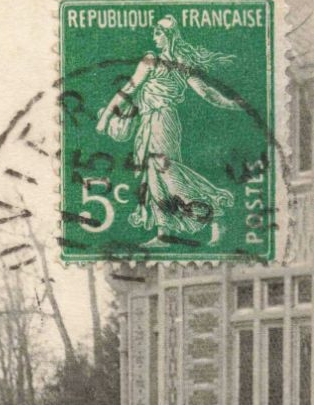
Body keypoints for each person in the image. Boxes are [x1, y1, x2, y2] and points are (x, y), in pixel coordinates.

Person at [95, 16, 244, 248]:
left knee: (165, 171)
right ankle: (164, 232)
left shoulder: (161, 62)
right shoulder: (165, 62)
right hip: (149, 121)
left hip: (162, 120)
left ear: (169, 35)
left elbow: (203, 91)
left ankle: (214, 213)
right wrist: (106, 117)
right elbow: (130, 91)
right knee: (153, 175)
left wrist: (231, 103)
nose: (154, 37)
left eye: (158, 33)